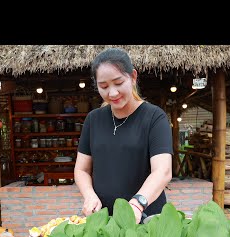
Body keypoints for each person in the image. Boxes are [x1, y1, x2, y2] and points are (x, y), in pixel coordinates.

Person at [74, 47, 173, 224]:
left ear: (133, 77)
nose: (112, 93)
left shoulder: (154, 117)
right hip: (103, 219)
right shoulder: (93, 119)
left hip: (146, 218)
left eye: (118, 83)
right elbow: (81, 169)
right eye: (103, 86)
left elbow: (163, 171)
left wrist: (137, 204)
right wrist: (89, 195)